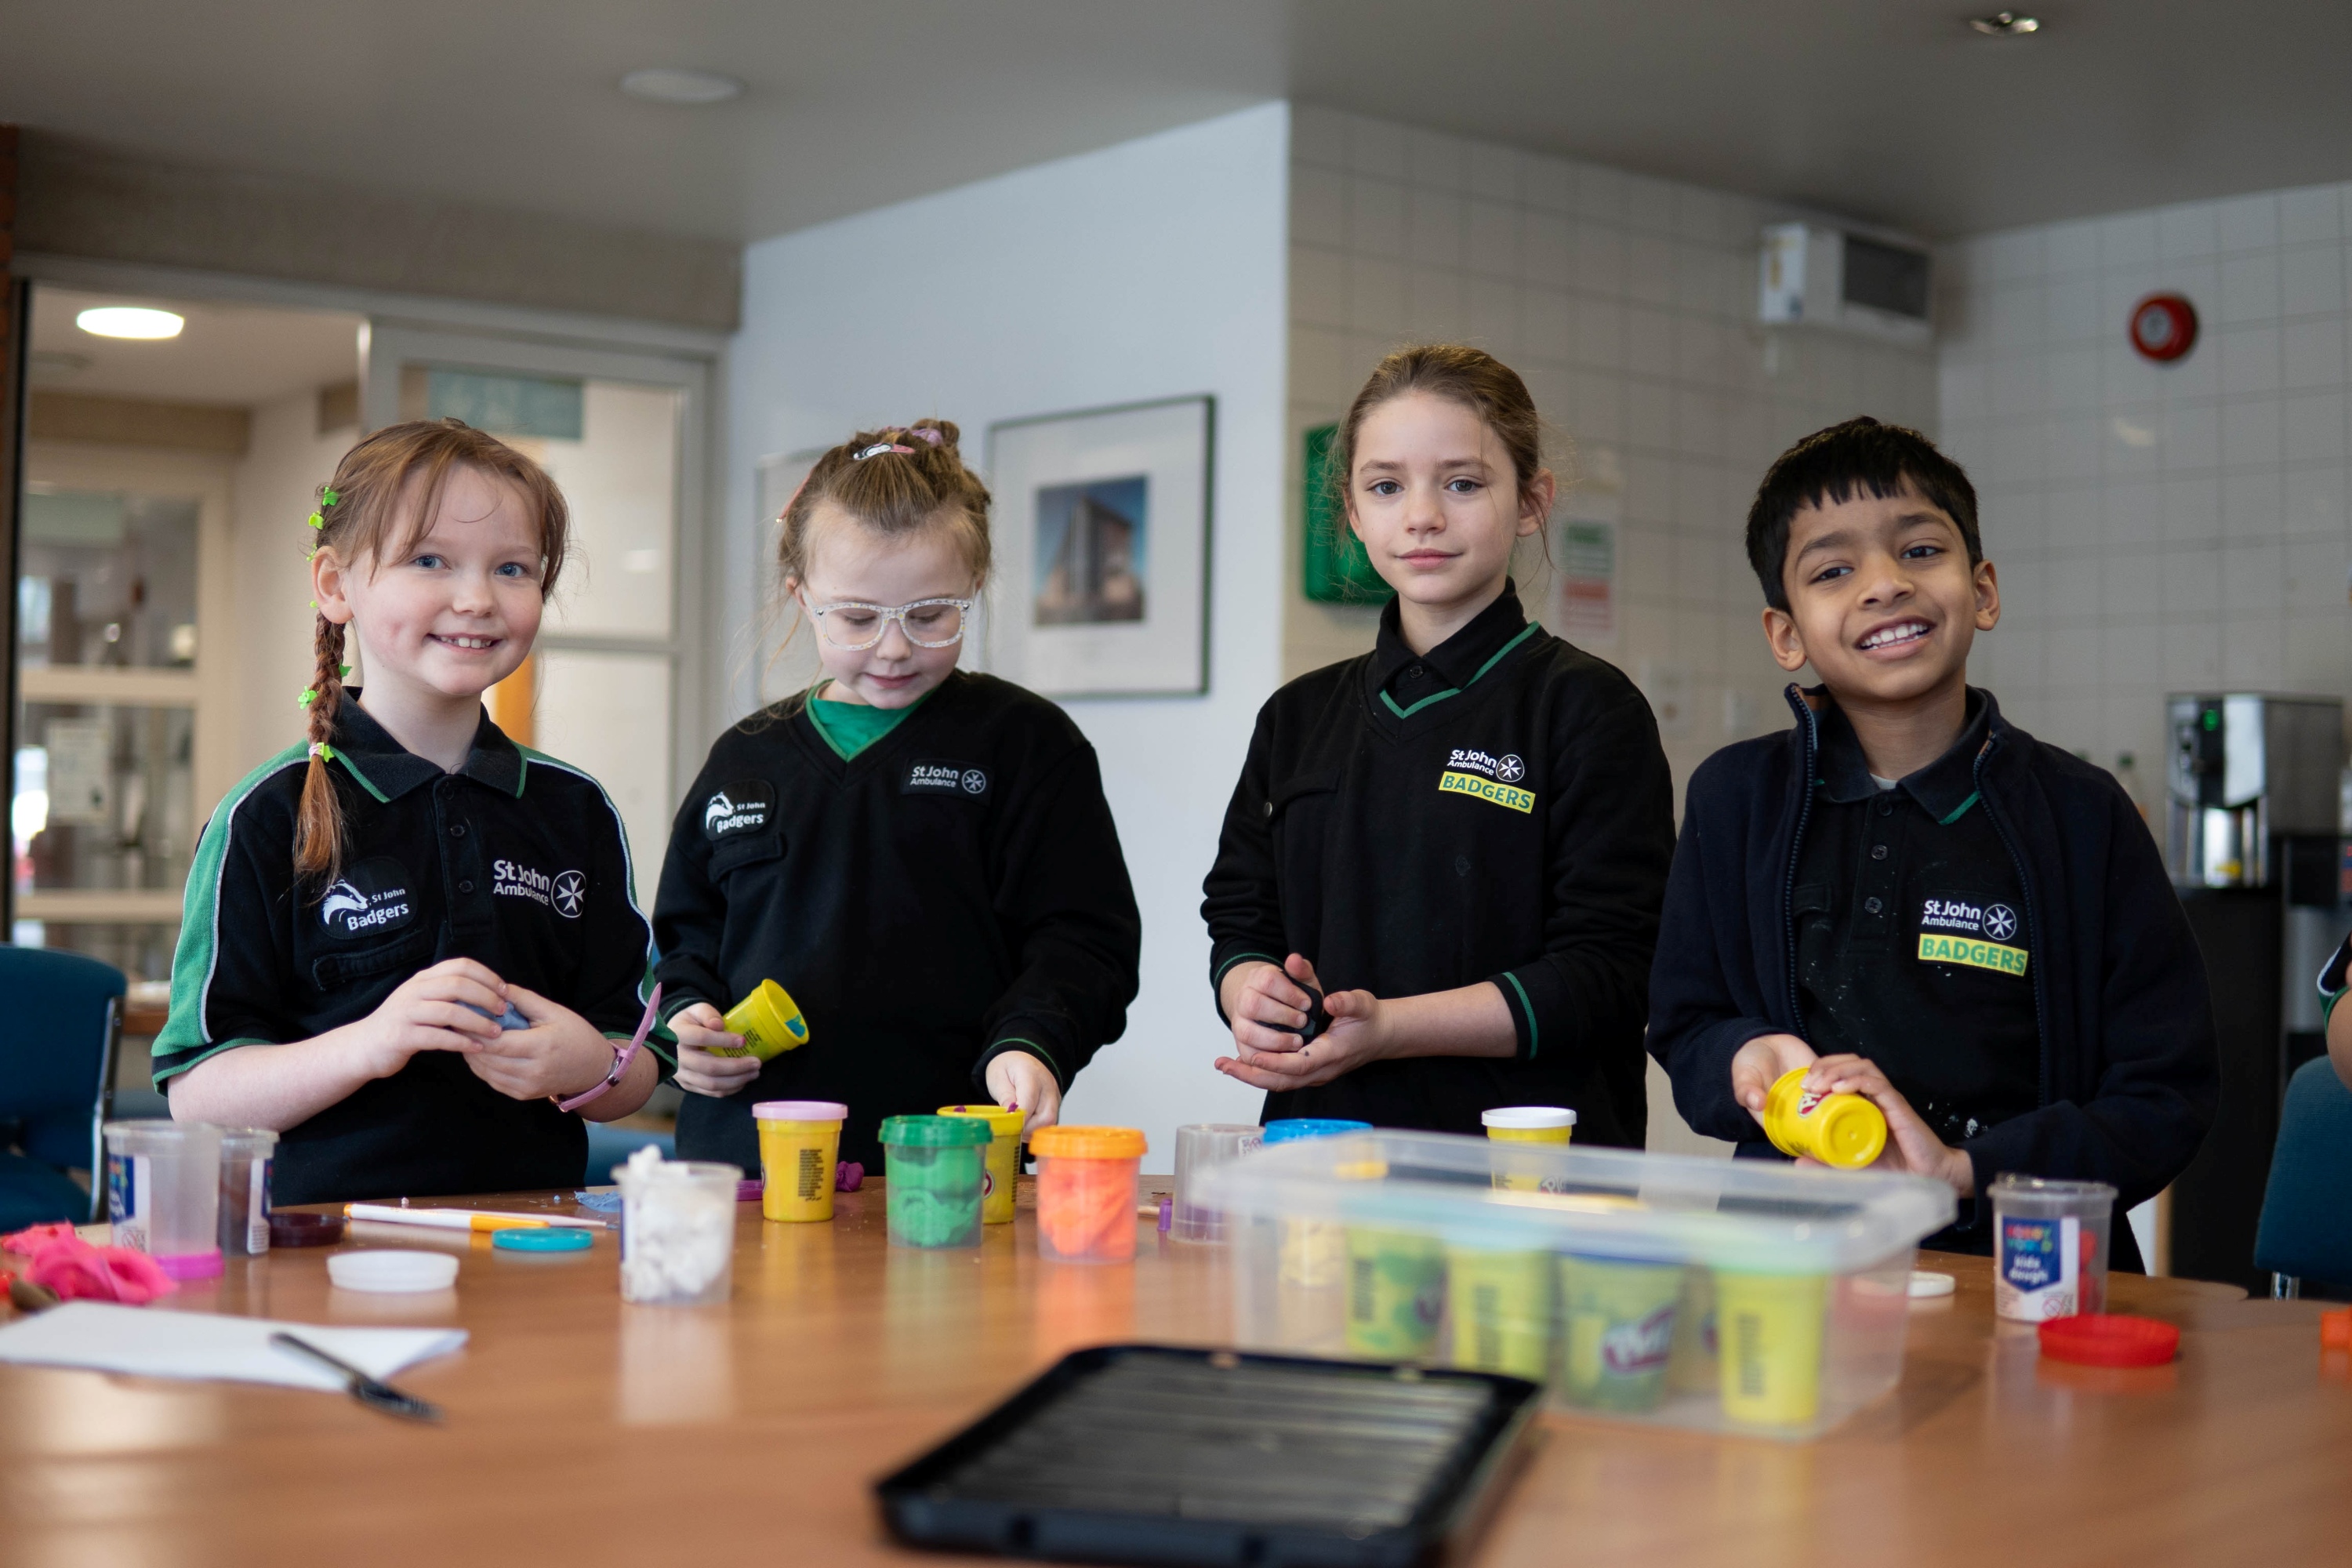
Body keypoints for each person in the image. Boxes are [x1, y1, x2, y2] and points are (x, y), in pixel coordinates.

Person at [1648, 416, 2219, 1269]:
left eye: (1919, 551)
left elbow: (2165, 1094)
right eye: (1833, 570)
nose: (1885, 584)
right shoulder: (1736, 798)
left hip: (2025, 1267)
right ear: (1786, 633)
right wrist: (1745, 1061)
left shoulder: (2084, 814)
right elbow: (1687, 1023)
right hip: (1796, 1255)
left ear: (1982, 591)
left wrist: (1962, 1171)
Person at [158, 419, 664, 1205]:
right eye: (429, 560)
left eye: (513, 568)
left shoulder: (577, 808)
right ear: (336, 585)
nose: (477, 598)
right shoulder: (264, 815)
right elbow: (198, 1095)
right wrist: (372, 1042)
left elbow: (637, 1063)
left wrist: (591, 1066)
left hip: (539, 1244)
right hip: (323, 1249)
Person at [1201, 345, 1674, 1142]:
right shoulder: (1296, 715)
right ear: (1353, 513)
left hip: (1525, 1167)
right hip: (1320, 1150)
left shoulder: (1588, 708)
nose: (1421, 515)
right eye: (1386, 486)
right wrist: (1249, 988)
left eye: (1462, 483)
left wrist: (1389, 1027)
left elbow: (1612, 972)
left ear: (1532, 502)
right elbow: (1241, 913)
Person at [652, 420, 1142, 1173]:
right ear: (802, 598)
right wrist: (687, 1020)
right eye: (856, 618)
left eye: (929, 615)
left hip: (947, 1160)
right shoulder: (744, 758)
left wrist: (1033, 1043)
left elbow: (1084, 940)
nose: (893, 647)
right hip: (749, 1163)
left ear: (974, 586)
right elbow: (683, 940)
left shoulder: (1026, 745)